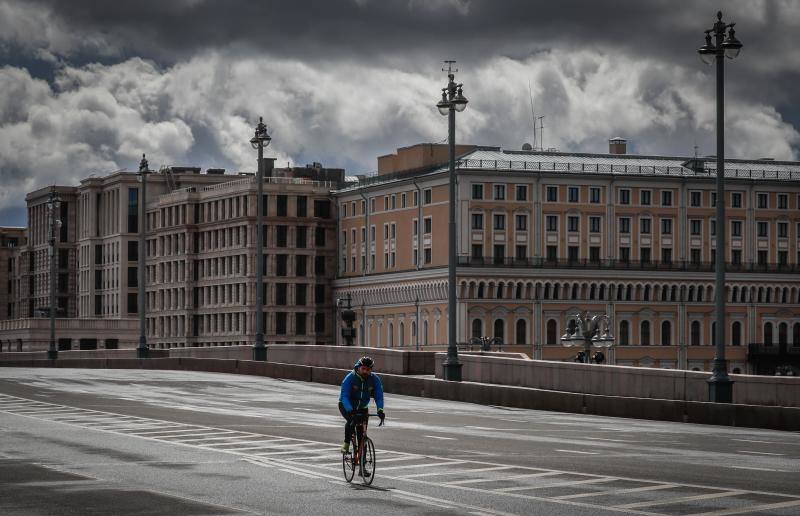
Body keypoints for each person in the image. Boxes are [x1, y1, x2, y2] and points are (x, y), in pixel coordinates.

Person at [339, 356, 385, 454]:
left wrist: (380, 410)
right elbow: (344, 397)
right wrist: (350, 410)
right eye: (363, 368)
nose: (365, 371)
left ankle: (362, 463)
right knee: (352, 421)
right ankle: (346, 444)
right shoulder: (350, 378)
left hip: (362, 407)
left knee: (362, 434)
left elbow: (379, 396)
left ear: (371, 370)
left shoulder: (374, 379)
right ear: (358, 367)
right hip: (346, 405)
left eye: (368, 369)